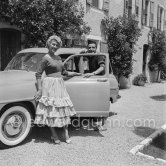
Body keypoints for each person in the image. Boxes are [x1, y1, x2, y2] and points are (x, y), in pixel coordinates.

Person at [34, 35, 81, 144]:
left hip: (60, 85)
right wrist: (40, 90)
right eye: (53, 44)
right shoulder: (45, 58)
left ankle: (65, 133)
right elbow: (38, 74)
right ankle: (54, 134)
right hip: (49, 86)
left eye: (57, 45)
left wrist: (76, 73)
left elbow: (64, 73)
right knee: (50, 111)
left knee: (63, 110)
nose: (54, 46)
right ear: (48, 44)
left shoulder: (59, 58)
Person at [83, 41, 107, 131]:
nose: (91, 49)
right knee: (92, 102)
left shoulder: (98, 56)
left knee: (98, 103)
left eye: (93, 47)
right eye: (89, 47)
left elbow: (102, 67)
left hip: (100, 80)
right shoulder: (89, 56)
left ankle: (99, 125)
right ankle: (95, 123)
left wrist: (93, 73)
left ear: (96, 48)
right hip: (93, 79)